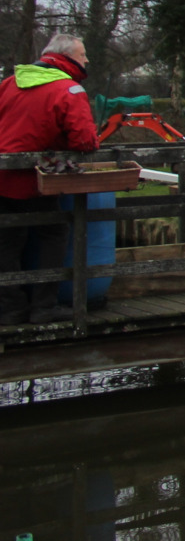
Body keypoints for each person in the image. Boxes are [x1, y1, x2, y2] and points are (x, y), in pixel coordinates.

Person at [0, 34, 99, 325]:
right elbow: (86, 141)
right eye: (83, 56)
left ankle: (9, 307)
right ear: (67, 58)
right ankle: (44, 307)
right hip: (38, 183)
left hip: (2, 180)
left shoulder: (8, 84)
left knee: (7, 241)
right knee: (53, 235)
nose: (87, 61)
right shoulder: (69, 90)